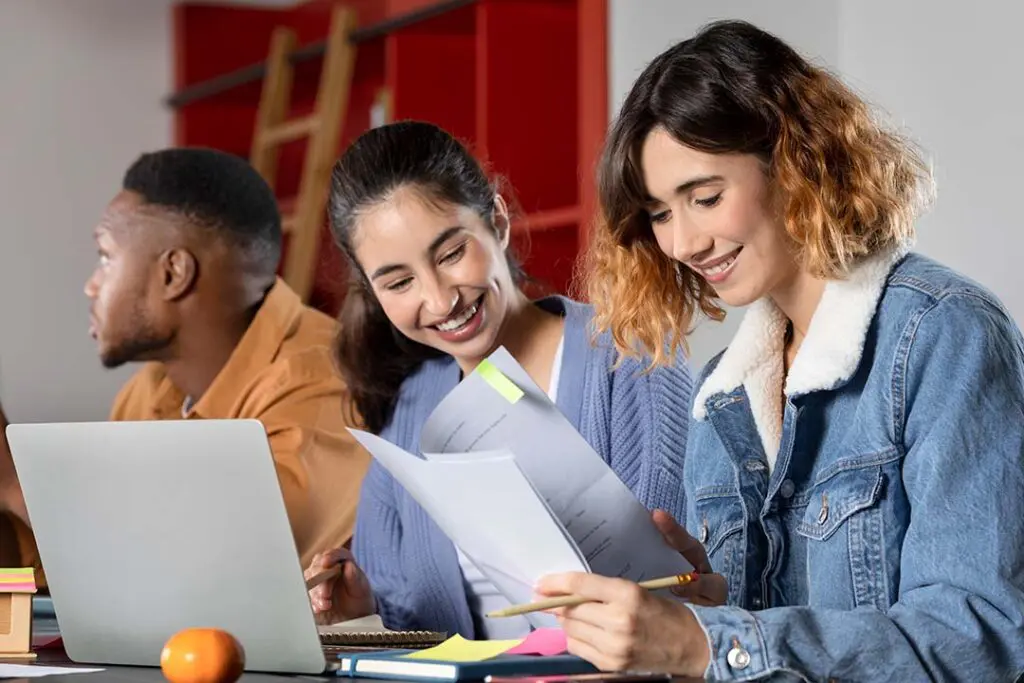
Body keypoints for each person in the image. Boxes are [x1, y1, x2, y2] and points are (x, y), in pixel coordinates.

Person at [534, 19, 1024, 681]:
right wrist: (703, 605)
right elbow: (776, 634)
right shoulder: (720, 398)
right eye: (659, 213)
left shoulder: (945, 334)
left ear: (795, 160)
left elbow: (979, 641)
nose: (682, 243)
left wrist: (706, 643)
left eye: (705, 197)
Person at [303, 121, 711, 639]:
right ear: (373, 291)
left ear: (496, 221)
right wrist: (367, 607)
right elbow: (411, 624)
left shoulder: (634, 362)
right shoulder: (411, 407)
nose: (440, 299)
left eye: (451, 254)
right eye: (400, 282)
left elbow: (677, 588)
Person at [0, 148, 370, 578]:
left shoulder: (322, 382)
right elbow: (68, 578)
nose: (90, 286)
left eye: (105, 257)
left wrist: (14, 483)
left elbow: (228, 569)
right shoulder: (150, 390)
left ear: (174, 273)